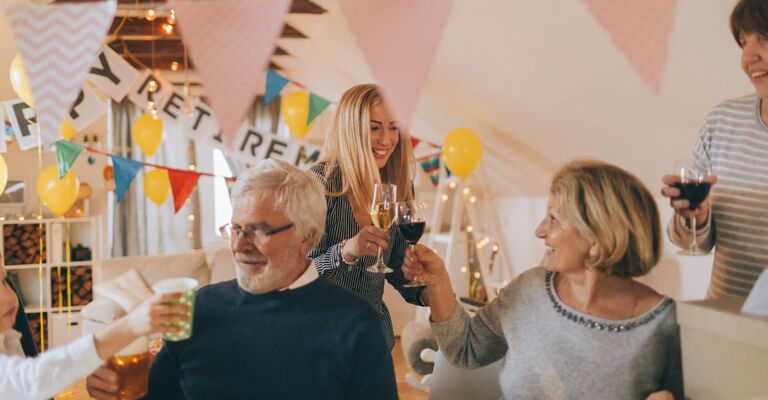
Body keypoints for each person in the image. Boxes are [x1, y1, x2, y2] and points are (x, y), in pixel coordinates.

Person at [89, 159, 394, 399]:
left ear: (306, 237)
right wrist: (116, 390)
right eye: (236, 229)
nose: (239, 245)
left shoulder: (354, 322)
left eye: (259, 230)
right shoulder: (197, 308)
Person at [405, 160, 683, 399]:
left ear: (596, 238)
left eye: (553, 218)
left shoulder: (664, 324)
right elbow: (466, 349)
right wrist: (438, 281)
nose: (540, 231)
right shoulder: (530, 289)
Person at [661, 0, 768, 298]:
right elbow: (692, 241)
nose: (748, 58)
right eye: (744, 43)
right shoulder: (722, 121)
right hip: (724, 315)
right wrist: (694, 219)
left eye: (763, 36)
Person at [309, 83, 424, 349]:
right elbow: (299, 273)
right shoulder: (319, 183)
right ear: (351, 129)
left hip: (374, 339)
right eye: (374, 128)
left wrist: (424, 282)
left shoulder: (399, 185)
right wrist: (346, 251)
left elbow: (397, 268)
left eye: (393, 127)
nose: (386, 140)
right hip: (322, 338)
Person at [0, 260, 188, 400]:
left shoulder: (9, 337)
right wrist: (130, 325)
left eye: (4, 281)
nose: (9, 296)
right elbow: (30, 381)